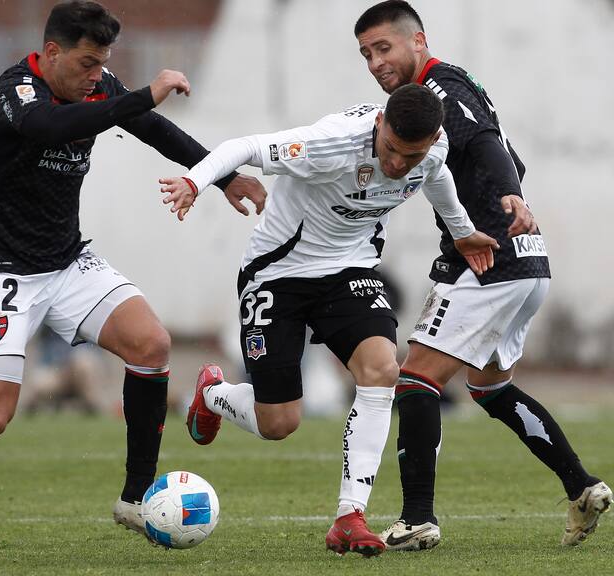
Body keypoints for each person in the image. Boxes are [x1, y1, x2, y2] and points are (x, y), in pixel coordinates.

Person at [0, 1, 266, 565]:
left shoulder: (98, 86)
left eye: (103, 66)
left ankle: (136, 496)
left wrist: (222, 176)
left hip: (66, 263)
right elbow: (51, 126)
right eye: (88, 64)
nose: (97, 76)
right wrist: (139, 94)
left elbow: (150, 127)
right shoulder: (14, 93)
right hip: (3, 272)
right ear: (51, 53)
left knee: (152, 344)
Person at [160, 83, 499, 556]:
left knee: (382, 370)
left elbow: (437, 175)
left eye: (412, 155)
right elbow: (246, 147)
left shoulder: (431, 150)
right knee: (278, 423)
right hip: (278, 273)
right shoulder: (332, 143)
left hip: (350, 271)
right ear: (380, 125)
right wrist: (195, 182)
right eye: (393, 151)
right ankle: (213, 393)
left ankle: (350, 516)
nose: (399, 165)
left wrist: (461, 232)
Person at [354, 0, 611, 551]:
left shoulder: (440, 89)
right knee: (490, 388)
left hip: (492, 258)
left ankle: (417, 518)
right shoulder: (440, 92)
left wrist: (508, 195)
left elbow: (488, 145)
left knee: (417, 379)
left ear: (418, 41)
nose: (376, 62)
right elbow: (500, 150)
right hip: (525, 260)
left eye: (384, 47)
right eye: (366, 54)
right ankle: (582, 486)